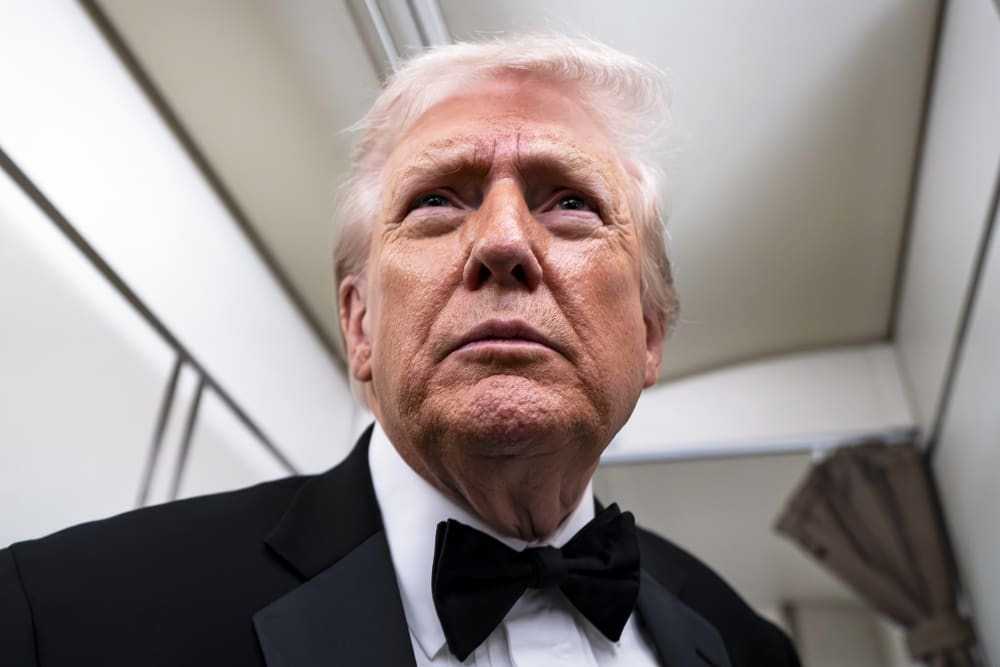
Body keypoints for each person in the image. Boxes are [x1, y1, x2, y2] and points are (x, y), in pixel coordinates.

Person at [0, 35, 800, 666]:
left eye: (569, 202)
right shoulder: (63, 615)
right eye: (436, 201)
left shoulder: (743, 642)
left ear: (651, 332)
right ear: (359, 328)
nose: (504, 240)